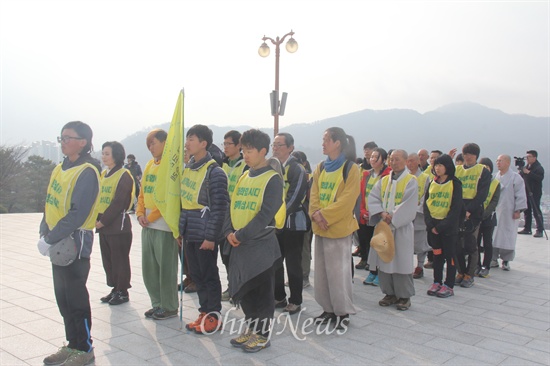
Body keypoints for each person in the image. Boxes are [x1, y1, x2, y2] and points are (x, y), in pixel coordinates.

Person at [39, 121, 100, 366]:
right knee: (62, 296)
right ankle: (72, 343)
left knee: (75, 297)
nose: (63, 142)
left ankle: (84, 348)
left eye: (68, 138)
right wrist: (44, 231)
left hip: (75, 241)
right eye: (61, 137)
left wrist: (50, 238)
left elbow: (77, 213)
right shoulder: (60, 167)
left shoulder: (87, 171)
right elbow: (50, 202)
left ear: (83, 142)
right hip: (56, 240)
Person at [223, 129, 283, 353]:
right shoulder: (244, 176)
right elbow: (232, 204)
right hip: (239, 243)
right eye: (243, 150)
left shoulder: (272, 179)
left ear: (263, 151)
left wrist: (240, 235)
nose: (245, 155)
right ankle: (251, 328)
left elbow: (266, 215)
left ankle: (263, 335)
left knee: (262, 292)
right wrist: (229, 230)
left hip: (260, 246)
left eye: (249, 151)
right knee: (245, 290)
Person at [180, 125, 229, 334]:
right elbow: (184, 202)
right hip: (190, 231)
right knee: (196, 275)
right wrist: (181, 231)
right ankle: (204, 311)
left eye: (192, 139)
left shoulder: (214, 172)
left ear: (203, 143)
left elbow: (219, 208)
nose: (187, 142)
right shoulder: (189, 168)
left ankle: (214, 316)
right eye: (187, 138)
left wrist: (211, 237)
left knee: (208, 274)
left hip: (205, 233)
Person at [309, 127, 360, 327]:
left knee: (339, 273)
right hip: (321, 228)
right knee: (322, 272)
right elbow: (314, 193)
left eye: (326, 140)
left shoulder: (351, 168)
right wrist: (315, 213)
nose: (323, 144)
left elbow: (348, 199)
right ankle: (328, 309)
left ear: (337, 142)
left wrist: (324, 215)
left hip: (338, 229)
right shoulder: (321, 167)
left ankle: (343, 312)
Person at [137, 129, 179, 320]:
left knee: (166, 269)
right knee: (150, 268)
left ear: (164, 143)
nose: (151, 148)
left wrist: (151, 217)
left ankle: (169, 306)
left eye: (153, 143)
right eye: (148, 145)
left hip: (163, 225)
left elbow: (167, 197)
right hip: (147, 225)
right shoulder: (148, 165)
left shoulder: (170, 167)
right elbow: (142, 192)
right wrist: (139, 214)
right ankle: (157, 303)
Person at [368, 150, 418, 311]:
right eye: (391, 159)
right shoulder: (383, 181)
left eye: (397, 159)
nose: (393, 162)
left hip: (400, 228)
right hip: (384, 226)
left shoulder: (411, 181)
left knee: (401, 262)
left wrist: (393, 217)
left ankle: (404, 296)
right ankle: (389, 293)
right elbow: (373, 198)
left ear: (405, 160)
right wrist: (382, 213)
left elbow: (409, 204)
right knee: (384, 260)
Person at [272, 133, 309, 315]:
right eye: (274, 144)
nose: (275, 148)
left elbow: (294, 199)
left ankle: (296, 300)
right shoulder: (271, 167)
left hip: (293, 224)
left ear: (290, 147)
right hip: (275, 224)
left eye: (280, 145)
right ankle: (279, 297)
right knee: (275, 262)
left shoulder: (297, 169)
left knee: (293, 263)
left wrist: (276, 215)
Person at [96, 141, 134, 306]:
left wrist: (103, 221)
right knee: (108, 260)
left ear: (117, 156)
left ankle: (122, 291)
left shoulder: (124, 175)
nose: (104, 157)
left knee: (120, 260)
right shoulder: (104, 174)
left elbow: (119, 202)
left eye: (107, 153)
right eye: (103, 153)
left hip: (118, 226)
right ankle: (114, 288)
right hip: (104, 227)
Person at [424, 154, 463, 298]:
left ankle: (449, 284)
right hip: (433, 226)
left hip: (448, 229)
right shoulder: (433, 183)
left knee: (450, 256)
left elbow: (456, 209)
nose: (438, 168)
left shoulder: (455, 184)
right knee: (437, 255)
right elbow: (426, 205)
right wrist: (430, 224)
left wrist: (441, 226)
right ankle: (437, 281)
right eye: (436, 165)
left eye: (441, 165)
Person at [454, 143, 491, 288]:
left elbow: (482, 194)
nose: (467, 157)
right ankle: (460, 272)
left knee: (471, 244)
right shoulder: (457, 170)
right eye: (465, 154)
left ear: (476, 156)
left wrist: (469, 210)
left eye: (471, 154)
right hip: (457, 209)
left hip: (473, 211)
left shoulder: (482, 171)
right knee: (456, 243)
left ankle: (469, 274)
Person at [220, 130, 248, 301]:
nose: (225, 147)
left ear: (239, 146)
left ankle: (239, 289)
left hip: (238, 218)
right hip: (223, 216)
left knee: (237, 256)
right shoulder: (221, 164)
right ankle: (232, 286)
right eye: (224, 144)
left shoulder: (245, 165)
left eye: (229, 144)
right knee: (225, 256)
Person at [361, 148, 391, 285]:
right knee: (370, 245)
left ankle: (380, 273)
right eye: (371, 157)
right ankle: (372, 271)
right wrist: (362, 211)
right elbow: (362, 195)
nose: (372, 159)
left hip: (380, 216)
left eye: (376, 157)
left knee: (380, 245)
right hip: (366, 215)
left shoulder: (388, 176)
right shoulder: (366, 175)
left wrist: (377, 212)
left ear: (383, 160)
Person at [492, 155, 528, 270]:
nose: (498, 163)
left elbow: (521, 195)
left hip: (509, 211)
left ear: (507, 163)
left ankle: (506, 260)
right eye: (497, 161)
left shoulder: (516, 178)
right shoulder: (495, 177)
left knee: (508, 235)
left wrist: (518, 210)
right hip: (496, 210)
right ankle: (493, 258)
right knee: (494, 235)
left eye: (500, 161)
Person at [406, 153, 431, 279]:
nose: (409, 163)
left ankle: (420, 266)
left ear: (418, 162)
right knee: (406, 241)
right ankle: (407, 266)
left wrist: (416, 208)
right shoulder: (404, 177)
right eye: (408, 161)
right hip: (405, 214)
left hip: (419, 214)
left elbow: (426, 195)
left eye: (412, 161)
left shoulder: (425, 177)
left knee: (420, 242)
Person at [291, 150, 313, 288]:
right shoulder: (290, 174)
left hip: (305, 216)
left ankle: (304, 276)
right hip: (293, 217)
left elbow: (311, 197)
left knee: (304, 247)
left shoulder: (309, 177)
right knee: (295, 249)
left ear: (304, 163)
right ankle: (297, 276)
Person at [476, 158, 500, 278]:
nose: (485, 169)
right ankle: (477, 265)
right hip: (476, 217)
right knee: (475, 243)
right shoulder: (476, 181)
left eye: (487, 167)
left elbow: (494, 201)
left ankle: (486, 266)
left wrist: (483, 214)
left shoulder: (495, 183)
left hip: (488, 218)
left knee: (487, 243)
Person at [518, 150, 545, 238]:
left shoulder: (538, 167)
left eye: (529, 157)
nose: (527, 159)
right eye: (527, 157)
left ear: (534, 157)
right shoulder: (527, 166)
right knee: (527, 210)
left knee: (536, 210)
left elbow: (539, 178)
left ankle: (540, 229)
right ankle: (527, 228)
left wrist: (528, 173)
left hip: (535, 192)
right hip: (526, 191)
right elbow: (522, 176)